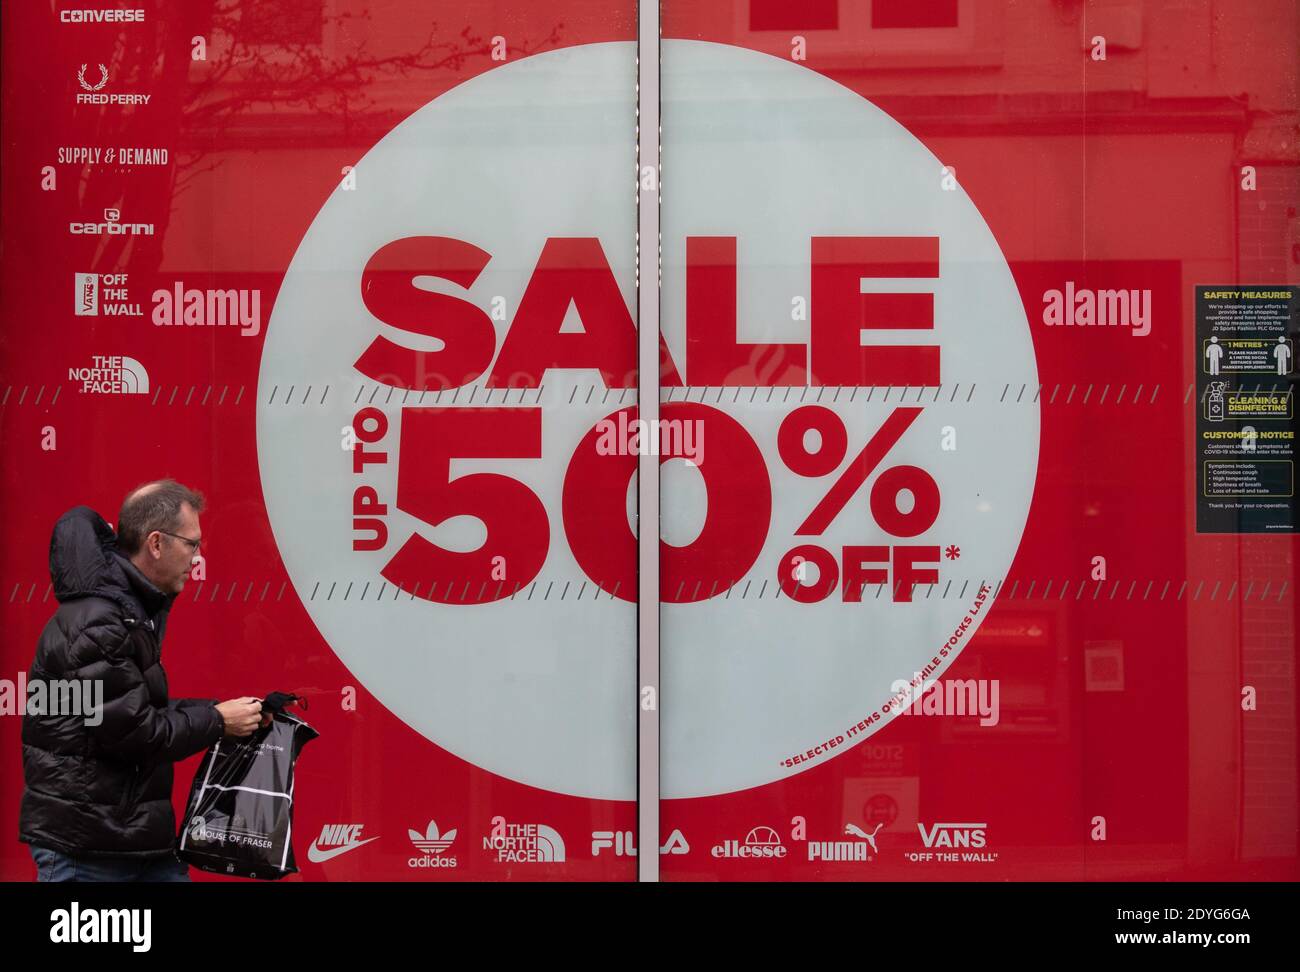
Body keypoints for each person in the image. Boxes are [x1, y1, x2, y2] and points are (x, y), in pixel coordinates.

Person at [19, 480, 265, 882]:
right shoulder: (98, 622)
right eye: (192, 543)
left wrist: (237, 713)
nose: (196, 557)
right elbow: (137, 733)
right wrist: (219, 721)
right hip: (90, 852)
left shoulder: (126, 610)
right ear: (156, 543)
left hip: (131, 841)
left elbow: (130, 710)